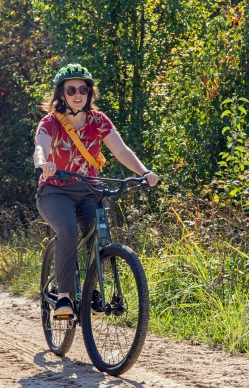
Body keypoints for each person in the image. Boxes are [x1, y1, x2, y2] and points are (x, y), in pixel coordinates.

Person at [33, 64, 159, 316]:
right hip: (55, 191)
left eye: (83, 89)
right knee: (68, 230)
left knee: (98, 234)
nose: (77, 94)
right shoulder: (51, 122)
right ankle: (64, 297)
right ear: (62, 94)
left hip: (89, 190)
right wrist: (42, 163)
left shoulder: (98, 121)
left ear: (90, 93)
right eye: (71, 90)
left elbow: (121, 151)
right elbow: (40, 147)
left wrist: (144, 172)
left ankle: (92, 291)